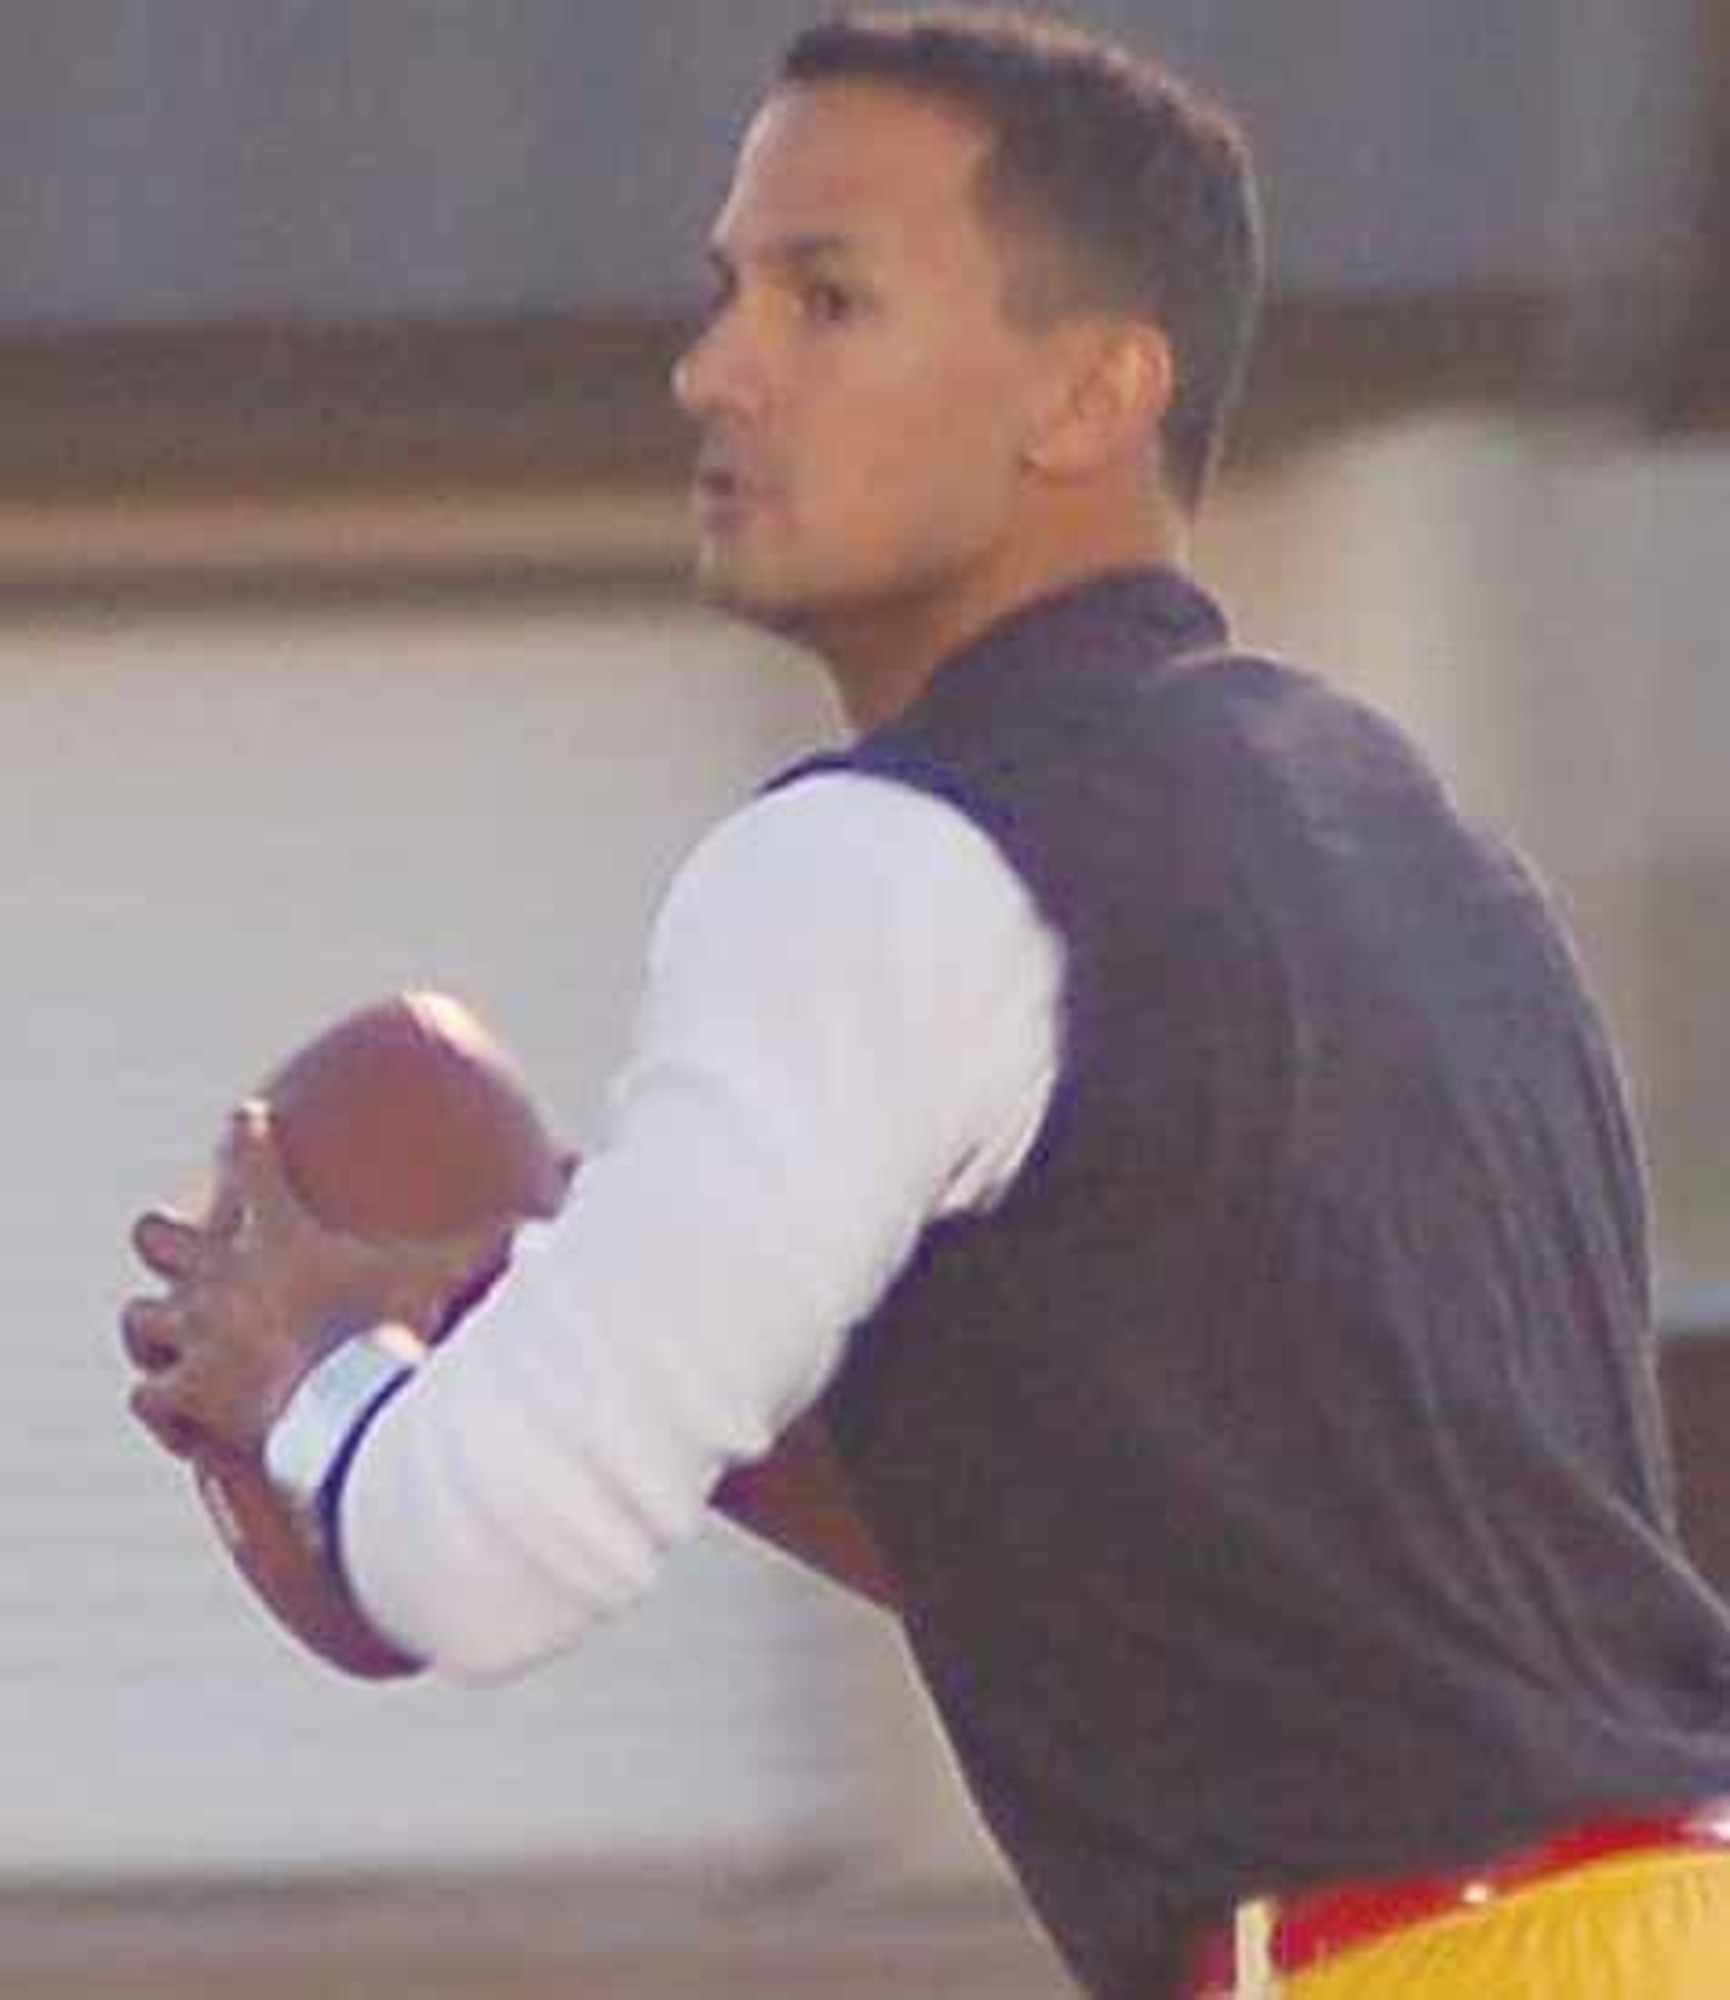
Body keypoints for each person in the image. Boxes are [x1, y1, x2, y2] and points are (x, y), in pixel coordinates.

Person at [121, 10, 1730, 1996]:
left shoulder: (882, 856)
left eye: (827, 299)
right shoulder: (1410, 837)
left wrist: (307, 1370)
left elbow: (467, 1550)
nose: (713, 365)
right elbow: (1181, 1580)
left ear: (1088, 394)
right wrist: (564, 1296)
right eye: (723, 296)